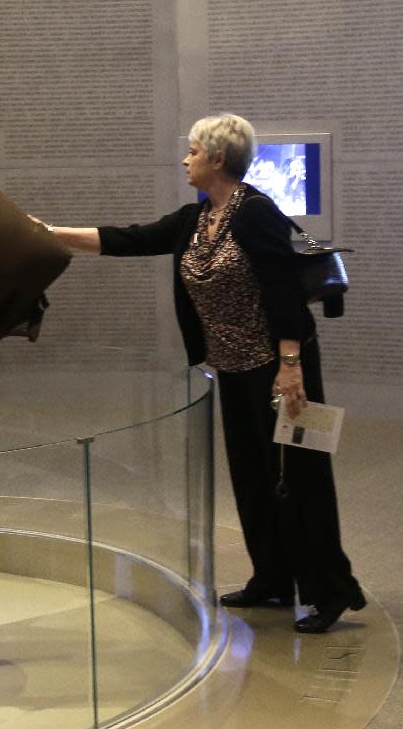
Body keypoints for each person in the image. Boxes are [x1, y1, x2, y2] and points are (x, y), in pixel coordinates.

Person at [32, 113, 364, 634]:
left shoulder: (255, 214)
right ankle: (273, 580)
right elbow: (129, 239)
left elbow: (283, 291)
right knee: (252, 478)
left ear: (216, 158)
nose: (184, 160)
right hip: (233, 369)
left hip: (279, 370)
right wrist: (49, 235)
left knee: (301, 481)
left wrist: (291, 366)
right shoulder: (195, 218)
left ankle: (329, 590)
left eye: (192, 151)